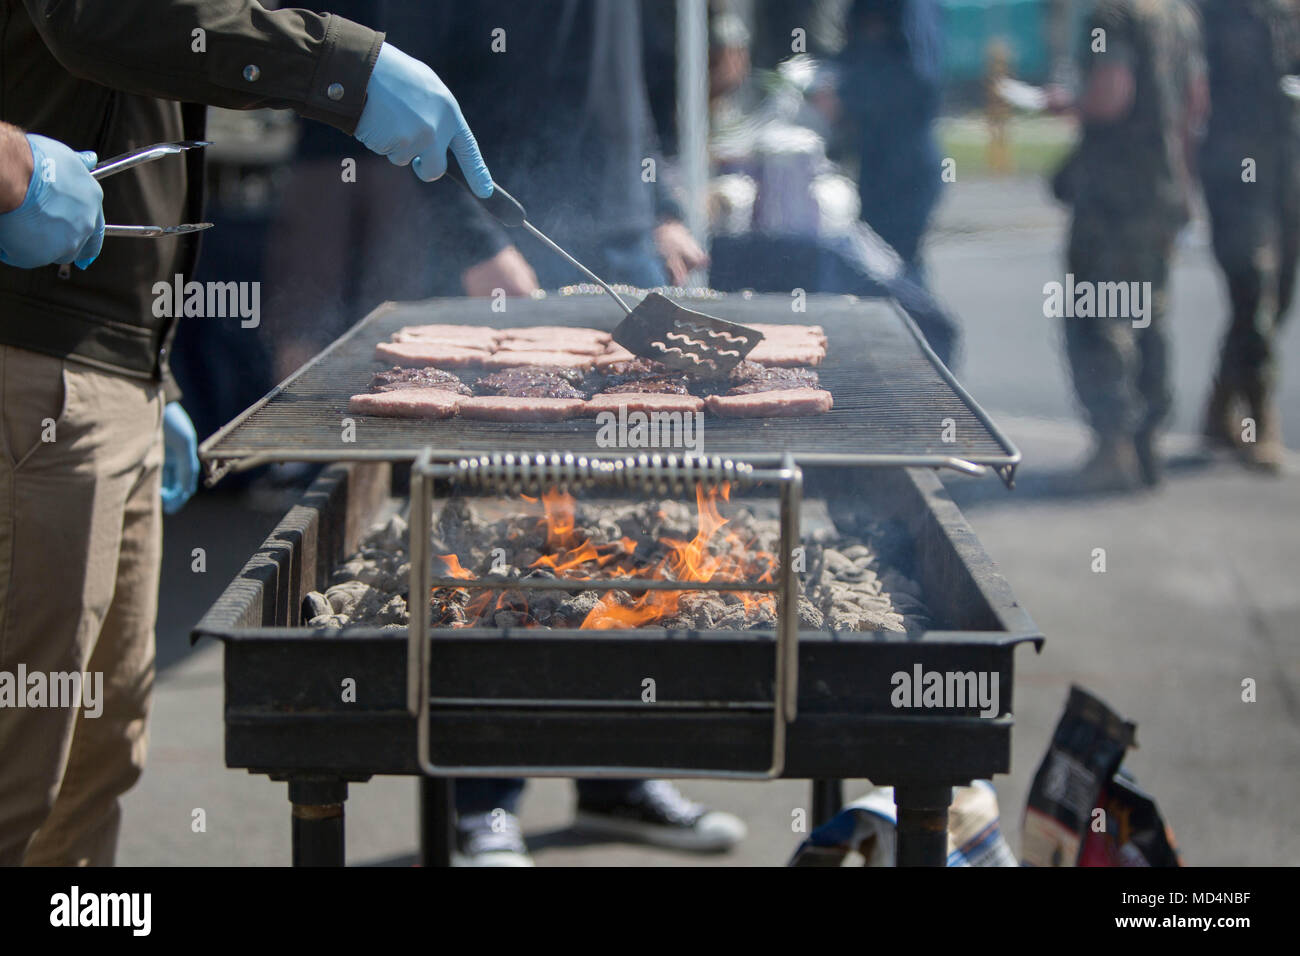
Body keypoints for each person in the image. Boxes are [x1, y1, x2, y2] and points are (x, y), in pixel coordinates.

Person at [0, 0, 490, 866]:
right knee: (16, 772)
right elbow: (96, 17)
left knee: (95, 758)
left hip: (118, 368)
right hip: (33, 360)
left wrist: (159, 372)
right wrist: (343, 65)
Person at [416, 0, 742, 867]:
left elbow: (622, 90)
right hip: (507, 256)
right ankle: (481, 799)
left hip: (624, 250)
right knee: (511, 531)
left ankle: (616, 773)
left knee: (640, 524)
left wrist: (661, 199)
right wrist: (470, 234)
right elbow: (406, 91)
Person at [1048, 0, 1206, 490]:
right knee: (1148, 316)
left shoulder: (1113, 17)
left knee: (1100, 312)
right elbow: (1195, 102)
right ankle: (1145, 445)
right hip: (1159, 191)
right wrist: (1183, 189)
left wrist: (1066, 103)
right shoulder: (1178, 16)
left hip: (1113, 196)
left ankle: (1113, 447)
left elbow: (1111, 95)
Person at [1197, 0, 1300, 472]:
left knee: (1279, 293)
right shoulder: (1215, 10)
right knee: (1253, 285)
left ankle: (1221, 405)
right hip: (1234, 163)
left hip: (1285, 158)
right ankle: (1259, 420)